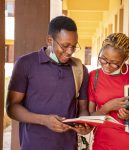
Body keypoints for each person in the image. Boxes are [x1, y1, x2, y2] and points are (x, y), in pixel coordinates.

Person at [6, 16, 91, 150]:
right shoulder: (25, 64)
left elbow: (83, 109)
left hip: (68, 146)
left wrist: (85, 124)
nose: (70, 51)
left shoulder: (80, 69)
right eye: (65, 46)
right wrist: (44, 120)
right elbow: (12, 108)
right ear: (50, 40)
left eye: (74, 46)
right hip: (32, 145)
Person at [88, 33, 129, 150]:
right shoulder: (93, 77)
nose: (107, 66)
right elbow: (89, 120)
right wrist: (107, 107)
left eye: (114, 63)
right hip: (103, 145)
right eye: (103, 59)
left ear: (125, 59)